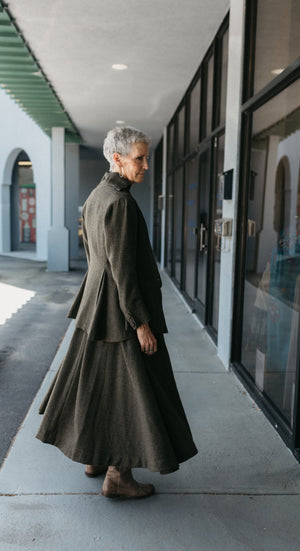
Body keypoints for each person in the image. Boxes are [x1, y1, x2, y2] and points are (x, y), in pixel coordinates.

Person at [36, 126, 198, 499]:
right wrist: (140, 323)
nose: (145, 165)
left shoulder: (97, 196)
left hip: (96, 308)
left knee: (100, 383)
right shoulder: (121, 203)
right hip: (120, 313)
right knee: (129, 393)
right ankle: (118, 475)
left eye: (145, 157)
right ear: (117, 158)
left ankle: (95, 456)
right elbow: (122, 270)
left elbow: (96, 257)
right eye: (139, 158)